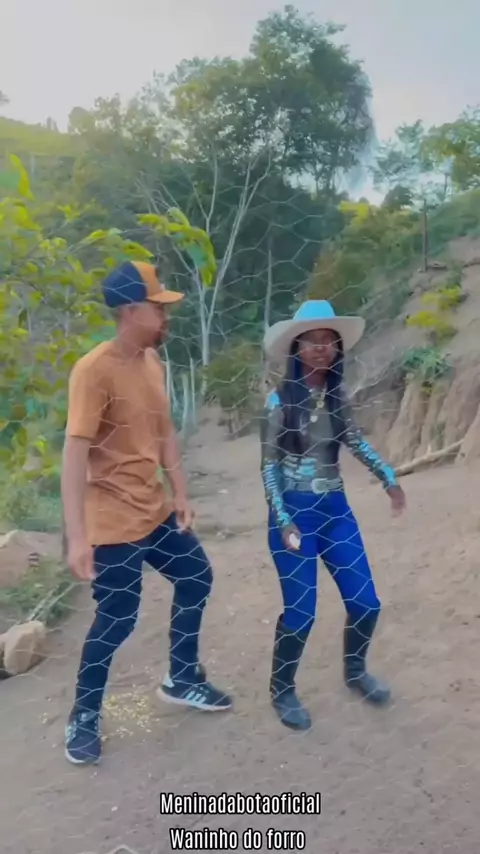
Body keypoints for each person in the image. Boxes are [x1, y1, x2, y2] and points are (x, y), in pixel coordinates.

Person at [62, 260, 232, 766]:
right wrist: (77, 537)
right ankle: (84, 715)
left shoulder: (152, 362)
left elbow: (164, 432)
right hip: (112, 521)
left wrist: (180, 491)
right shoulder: (93, 371)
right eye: (158, 308)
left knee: (196, 577)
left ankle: (181, 677)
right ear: (131, 310)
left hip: (155, 511)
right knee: (117, 619)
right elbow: (74, 456)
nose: (165, 316)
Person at [260, 300, 406, 731]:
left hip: (335, 512)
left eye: (330, 340)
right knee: (301, 613)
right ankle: (282, 689)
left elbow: (355, 441)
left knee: (366, 603)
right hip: (295, 513)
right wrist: (283, 519)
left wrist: (388, 477)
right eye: (313, 340)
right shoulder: (278, 402)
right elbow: (268, 467)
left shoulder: (337, 399)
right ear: (297, 348)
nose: (322, 347)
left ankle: (355, 671)